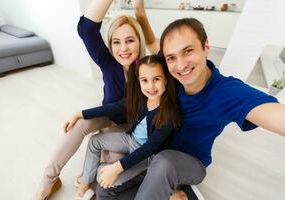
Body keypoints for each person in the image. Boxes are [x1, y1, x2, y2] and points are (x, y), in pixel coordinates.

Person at [96, 15, 285, 200]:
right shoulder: (168, 75)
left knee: (164, 162)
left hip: (187, 163)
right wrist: (140, 13)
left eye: (188, 51)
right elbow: (153, 45)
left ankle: (172, 188)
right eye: (171, 57)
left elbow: (275, 115)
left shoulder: (228, 92)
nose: (181, 65)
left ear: (206, 47)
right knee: (104, 190)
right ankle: (171, 194)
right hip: (156, 154)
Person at [33, 0, 148, 199]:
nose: (124, 49)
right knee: (78, 124)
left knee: (115, 159)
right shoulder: (108, 63)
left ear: (139, 41)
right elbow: (87, 28)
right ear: (110, 45)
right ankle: (48, 181)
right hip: (109, 116)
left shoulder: (148, 69)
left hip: (133, 128)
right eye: (116, 42)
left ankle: (95, 171)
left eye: (130, 40)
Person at [75, 55, 181, 199]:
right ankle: (85, 183)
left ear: (166, 80)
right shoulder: (141, 99)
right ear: (139, 81)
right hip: (129, 138)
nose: (150, 86)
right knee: (95, 141)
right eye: (145, 80)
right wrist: (81, 114)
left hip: (146, 156)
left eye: (156, 79)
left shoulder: (169, 113)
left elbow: (150, 147)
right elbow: (113, 107)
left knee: (107, 179)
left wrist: (116, 167)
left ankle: (161, 190)